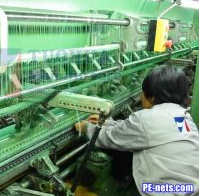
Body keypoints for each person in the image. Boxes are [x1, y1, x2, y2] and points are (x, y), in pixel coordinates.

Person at [75, 66, 199, 196]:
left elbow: (110, 138)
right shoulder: (183, 116)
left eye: (142, 91)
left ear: (151, 97)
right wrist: (108, 122)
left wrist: (86, 128)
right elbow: (141, 132)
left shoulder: (146, 119)